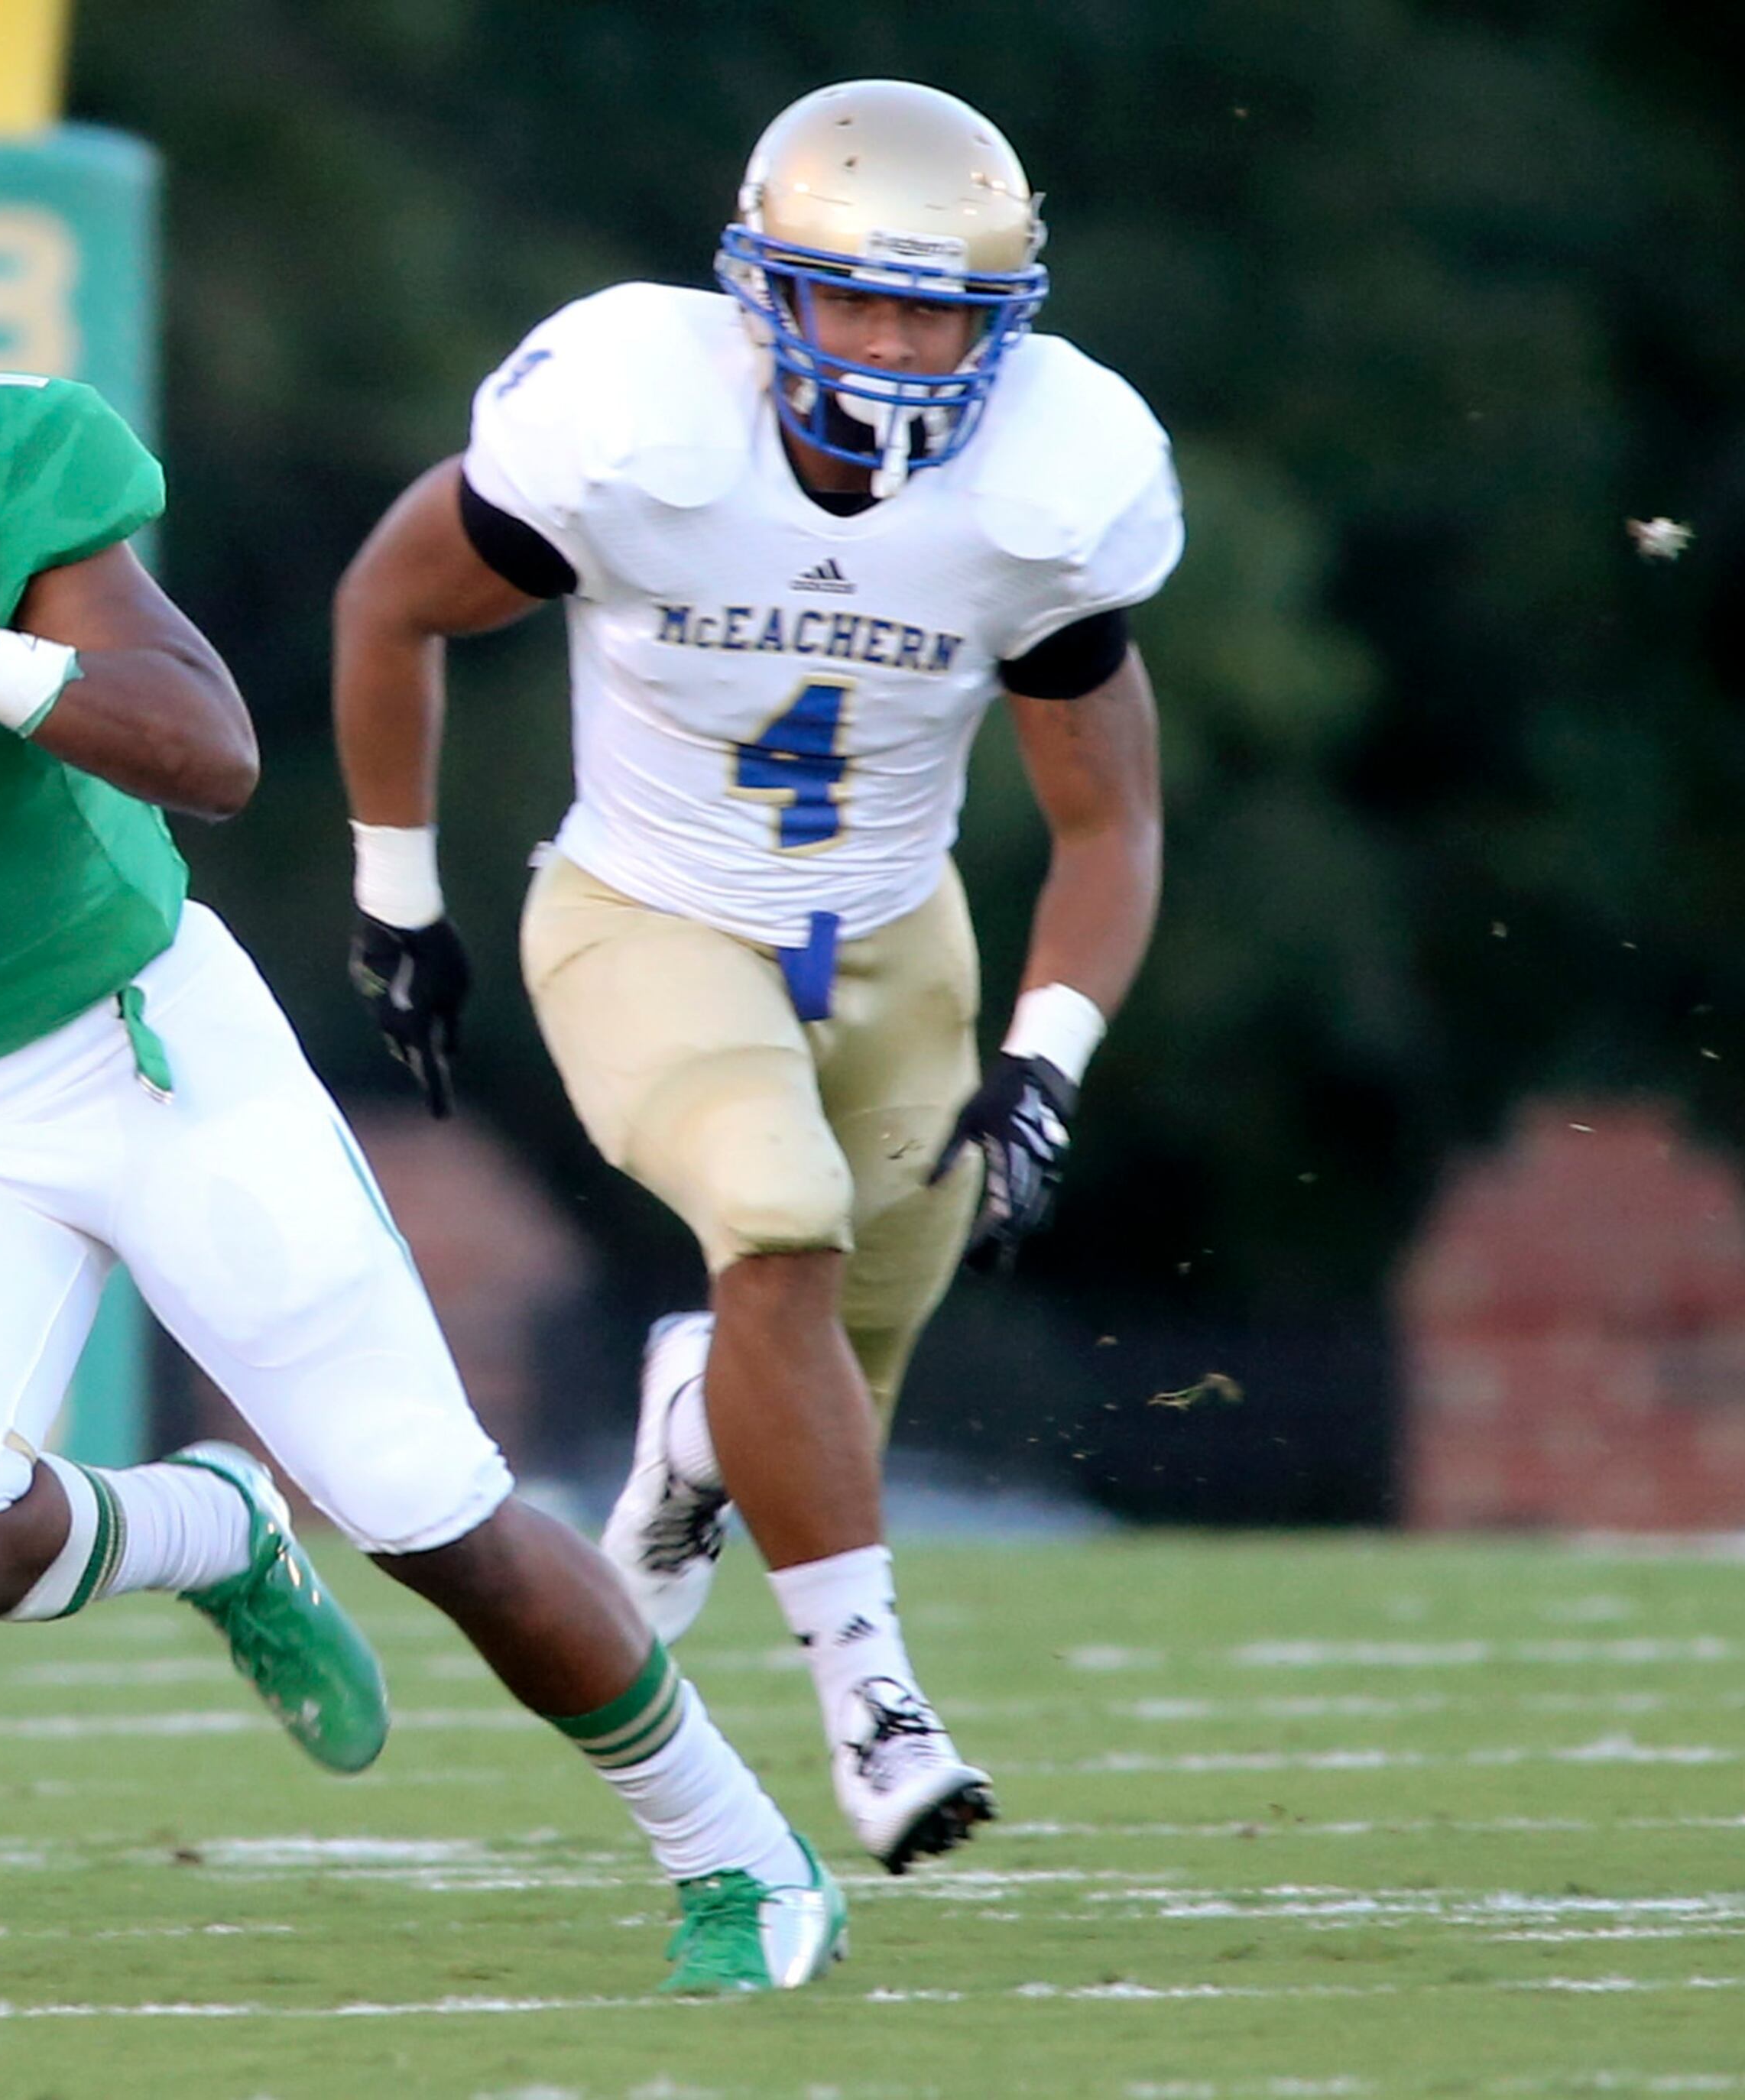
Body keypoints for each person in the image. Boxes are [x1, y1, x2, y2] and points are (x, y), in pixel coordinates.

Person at [0, 143, 845, 1995]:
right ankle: (213, 1532)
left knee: (430, 1506)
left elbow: (209, 749)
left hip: (141, 1046)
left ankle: (743, 1862)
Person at [332, 80, 1179, 1874]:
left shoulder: (1050, 486)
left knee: (838, 1369)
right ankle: (876, 1710)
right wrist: (394, 895)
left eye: (933, 307)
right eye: (847, 297)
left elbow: (1108, 823)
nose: (886, 343)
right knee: (780, 1222)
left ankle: (693, 1414)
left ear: (1000, 326)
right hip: (651, 916)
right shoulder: (632, 428)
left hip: (898, 942)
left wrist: (1049, 1056)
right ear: (759, 291)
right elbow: (391, 602)